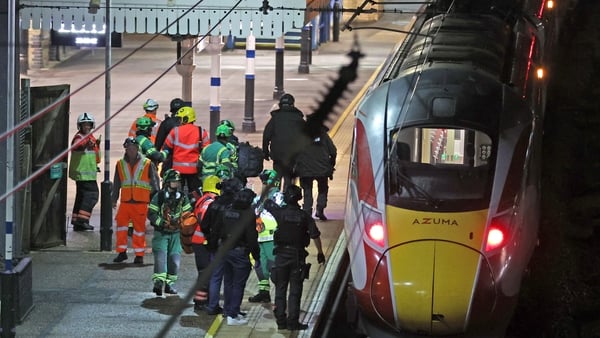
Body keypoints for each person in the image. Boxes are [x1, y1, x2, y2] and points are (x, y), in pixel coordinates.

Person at [264, 185, 326, 331]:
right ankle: (293, 322)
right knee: (295, 291)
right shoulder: (304, 216)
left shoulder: (280, 212)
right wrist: (320, 253)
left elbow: (267, 203)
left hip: (281, 255)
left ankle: (281, 321)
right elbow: (315, 235)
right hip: (297, 257)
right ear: (299, 198)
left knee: (280, 288)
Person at [214, 188, 259, 326]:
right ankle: (233, 315)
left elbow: (216, 229)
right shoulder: (248, 214)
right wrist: (256, 255)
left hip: (224, 250)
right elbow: (252, 237)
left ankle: (229, 310)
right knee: (238, 284)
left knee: (228, 282)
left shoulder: (227, 210)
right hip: (239, 252)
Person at [111, 137, 160, 264]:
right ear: (126, 150)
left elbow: (155, 184)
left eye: (133, 148)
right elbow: (117, 183)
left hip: (141, 202)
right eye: (129, 149)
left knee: (139, 230)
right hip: (125, 202)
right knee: (121, 228)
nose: (131, 151)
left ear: (137, 149)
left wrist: (156, 201)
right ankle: (121, 252)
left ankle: (139, 255)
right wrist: (113, 199)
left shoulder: (147, 163)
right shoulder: (120, 164)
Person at [201, 177, 244, 315]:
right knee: (229, 278)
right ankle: (228, 309)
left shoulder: (214, 204)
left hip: (215, 245)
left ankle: (212, 306)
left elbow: (204, 225)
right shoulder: (235, 206)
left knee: (216, 276)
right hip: (231, 246)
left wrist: (210, 238)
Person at [147, 169, 193, 296]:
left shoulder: (183, 197)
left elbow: (188, 213)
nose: (176, 184)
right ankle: (158, 283)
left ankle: (169, 284)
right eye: (173, 182)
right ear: (167, 182)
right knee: (161, 258)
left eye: (177, 182)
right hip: (161, 233)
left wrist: (182, 223)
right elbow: (151, 213)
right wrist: (163, 223)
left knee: (174, 260)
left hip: (176, 234)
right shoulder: (159, 196)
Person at [248, 169, 283, 304]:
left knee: (273, 267)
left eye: (265, 182)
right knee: (259, 266)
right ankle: (264, 293)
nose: (263, 184)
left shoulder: (279, 197)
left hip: (272, 238)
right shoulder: (258, 198)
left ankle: (280, 295)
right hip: (259, 238)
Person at [262, 93, 310, 190]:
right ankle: (287, 197)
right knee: (289, 178)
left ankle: (276, 198)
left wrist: (265, 152)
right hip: (293, 155)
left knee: (277, 177)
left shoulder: (275, 119)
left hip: (277, 155)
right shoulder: (298, 119)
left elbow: (266, 135)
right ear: (292, 104)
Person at [162, 106, 210, 198]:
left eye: (180, 119)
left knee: (176, 194)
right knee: (195, 194)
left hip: (177, 170)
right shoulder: (201, 132)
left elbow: (166, 147)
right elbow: (206, 150)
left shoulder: (175, 131)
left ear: (186, 118)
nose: (179, 121)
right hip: (194, 170)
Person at [191, 175, 221, 311]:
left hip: (199, 241)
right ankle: (200, 301)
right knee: (205, 273)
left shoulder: (203, 199)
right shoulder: (209, 202)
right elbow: (204, 220)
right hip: (203, 242)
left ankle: (202, 299)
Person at [294, 127, 337, 220]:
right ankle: (320, 209)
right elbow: (333, 151)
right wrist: (331, 164)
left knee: (307, 190)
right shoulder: (323, 135)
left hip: (305, 169)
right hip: (322, 168)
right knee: (322, 189)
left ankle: (307, 211)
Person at [69, 112, 101, 231]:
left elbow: (91, 155)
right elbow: (77, 146)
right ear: (80, 126)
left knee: (81, 196)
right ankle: (83, 220)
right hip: (83, 174)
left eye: (88, 125)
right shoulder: (80, 137)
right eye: (84, 125)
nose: (86, 127)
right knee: (92, 195)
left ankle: (77, 220)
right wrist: (86, 144)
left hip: (85, 172)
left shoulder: (90, 137)